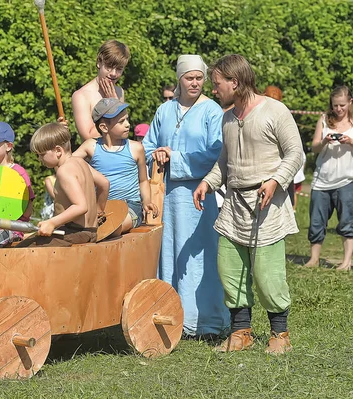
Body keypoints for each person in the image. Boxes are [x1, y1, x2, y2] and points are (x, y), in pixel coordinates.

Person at [193, 54, 304, 354]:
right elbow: (225, 163)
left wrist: (275, 180)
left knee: (267, 275)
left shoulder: (274, 111)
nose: (213, 89)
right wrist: (208, 182)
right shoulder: (228, 118)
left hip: (266, 204)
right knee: (229, 268)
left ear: (235, 82)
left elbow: (295, 153)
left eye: (217, 84)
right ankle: (241, 332)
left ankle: (280, 335)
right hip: (233, 205)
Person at [142, 54, 229, 338]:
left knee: (197, 256)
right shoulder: (164, 110)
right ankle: (168, 314)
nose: (194, 83)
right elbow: (148, 146)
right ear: (179, 79)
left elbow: (217, 154)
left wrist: (175, 157)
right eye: (189, 77)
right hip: (165, 196)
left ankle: (204, 320)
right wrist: (156, 154)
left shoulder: (212, 111)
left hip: (197, 197)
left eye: (199, 78)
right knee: (168, 253)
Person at [16, 122, 109, 247]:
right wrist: (99, 210)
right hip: (91, 230)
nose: (39, 159)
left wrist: (52, 222)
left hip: (75, 232)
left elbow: (81, 207)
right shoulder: (80, 162)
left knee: (21, 249)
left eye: (42, 154)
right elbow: (104, 183)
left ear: (58, 151)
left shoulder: (64, 171)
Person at [74, 98, 156, 233]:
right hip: (101, 207)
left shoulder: (136, 148)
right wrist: (63, 138)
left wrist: (147, 201)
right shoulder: (91, 146)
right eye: (121, 122)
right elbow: (67, 165)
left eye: (127, 119)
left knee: (112, 228)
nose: (128, 125)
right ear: (104, 127)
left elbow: (143, 180)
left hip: (130, 206)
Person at [304, 86, 353, 271]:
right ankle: (314, 259)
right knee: (316, 221)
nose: (338, 109)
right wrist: (324, 141)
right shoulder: (324, 119)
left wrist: (350, 141)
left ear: (350, 102)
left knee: (347, 221)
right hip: (322, 179)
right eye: (335, 105)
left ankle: (346, 262)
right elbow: (314, 147)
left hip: (347, 180)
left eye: (342, 105)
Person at [72, 40, 130, 141]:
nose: (113, 73)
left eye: (119, 69)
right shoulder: (82, 96)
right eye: (109, 67)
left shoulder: (119, 91)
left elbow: (123, 131)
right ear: (99, 63)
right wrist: (113, 107)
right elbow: (89, 136)